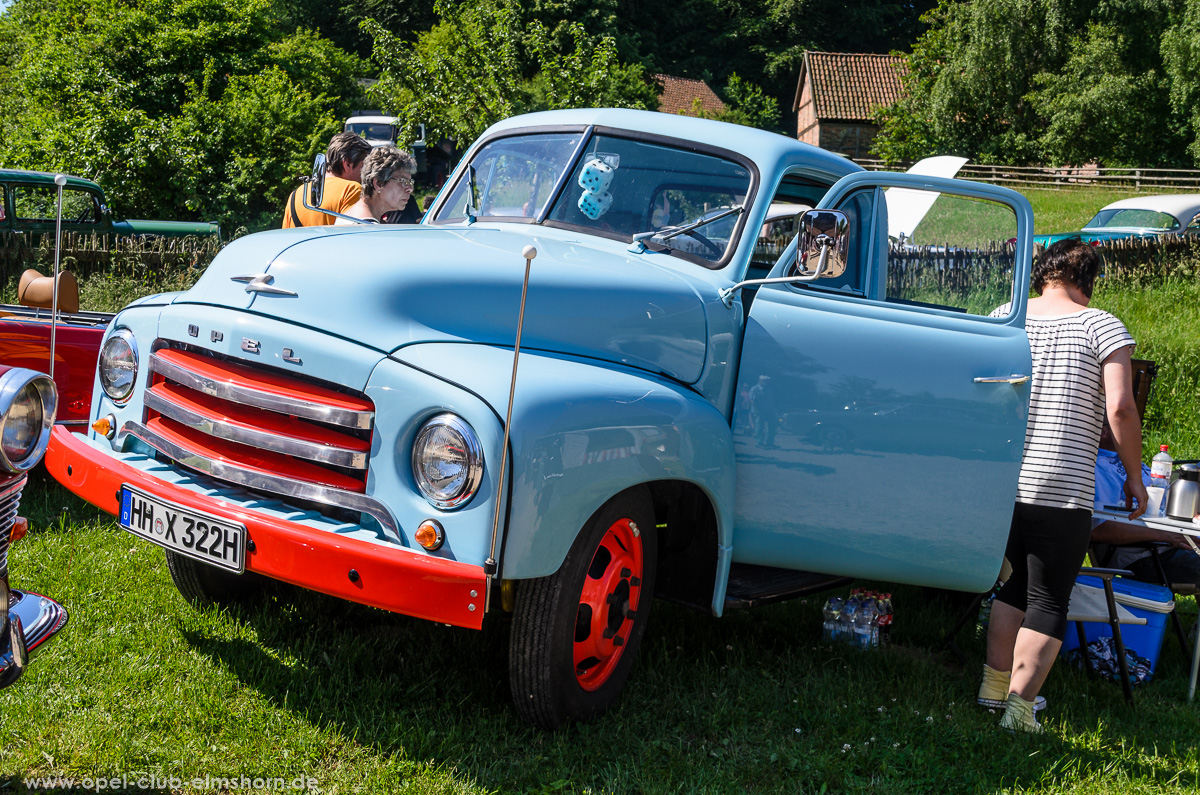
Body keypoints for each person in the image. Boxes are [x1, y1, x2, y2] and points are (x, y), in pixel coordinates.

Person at [978, 239, 1147, 733]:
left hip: (1002, 477)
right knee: (1051, 596)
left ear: (1041, 274)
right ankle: (1019, 710)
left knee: (1017, 583)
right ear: (1088, 279)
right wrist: (1134, 476)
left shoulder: (1005, 314)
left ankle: (992, 689)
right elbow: (1120, 407)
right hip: (1060, 482)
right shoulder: (1101, 325)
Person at [1093, 424, 1200, 588]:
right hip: (1143, 555)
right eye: (1125, 423)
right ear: (1104, 431)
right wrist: (1167, 535)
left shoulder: (1130, 462)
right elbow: (1099, 528)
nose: (1137, 431)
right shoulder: (1096, 468)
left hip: (1172, 543)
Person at [282, 132, 373, 228]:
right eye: (363, 166)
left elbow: (287, 236)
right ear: (347, 164)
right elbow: (354, 237)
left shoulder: (296, 194)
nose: (366, 173)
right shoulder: (351, 190)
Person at [335, 145, 417, 225]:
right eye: (402, 181)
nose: (410, 188)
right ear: (378, 183)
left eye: (409, 182)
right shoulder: (368, 228)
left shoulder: (349, 216)